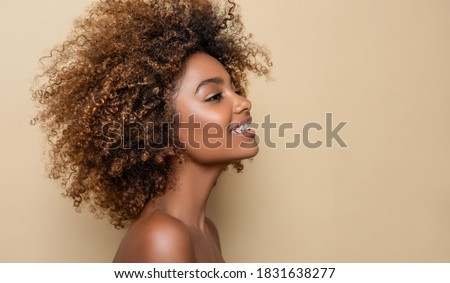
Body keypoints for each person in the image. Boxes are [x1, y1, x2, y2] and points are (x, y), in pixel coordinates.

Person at [31, 0, 271, 262]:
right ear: (160, 131)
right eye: (214, 97)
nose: (243, 102)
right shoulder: (164, 237)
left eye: (234, 90)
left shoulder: (204, 230)